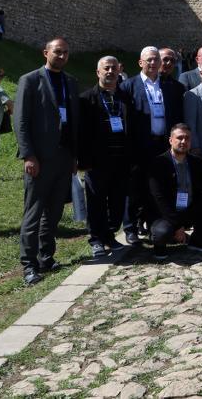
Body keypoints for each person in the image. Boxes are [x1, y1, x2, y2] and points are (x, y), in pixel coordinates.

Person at [14, 37, 80, 285]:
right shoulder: (30, 80)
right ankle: (29, 265)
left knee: (54, 213)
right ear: (46, 53)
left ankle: (46, 257)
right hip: (40, 158)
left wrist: (74, 156)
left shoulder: (70, 82)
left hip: (64, 156)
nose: (62, 56)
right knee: (34, 212)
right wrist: (28, 154)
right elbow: (21, 121)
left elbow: (74, 121)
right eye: (57, 52)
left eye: (65, 53)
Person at [121, 46, 185, 245]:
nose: (153, 63)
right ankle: (130, 227)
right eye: (149, 59)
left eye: (156, 59)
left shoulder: (168, 86)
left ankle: (153, 224)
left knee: (158, 187)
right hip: (139, 145)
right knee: (134, 187)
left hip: (162, 145)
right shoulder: (129, 86)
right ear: (140, 62)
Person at [77, 56, 132, 257]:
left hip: (121, 159)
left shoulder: (126, 97)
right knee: (96, 202)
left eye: (114, 68)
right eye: (106, 68)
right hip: (97, 160)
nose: (110, 71)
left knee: (117, 202)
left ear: (119, 71)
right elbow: (81, 133)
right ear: (98, 72)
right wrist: (83, 160)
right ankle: (96, 239)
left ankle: (109, 235)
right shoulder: (86, 99)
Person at [147, 124, 202, 259]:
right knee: (162, 232)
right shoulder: (158, 163)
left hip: (188, 209)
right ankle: (160, 246)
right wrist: (177, 226)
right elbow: (160, 199)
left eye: (187, 138)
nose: (184, 141)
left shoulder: (196, 162)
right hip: (165, 214)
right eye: (179, 138)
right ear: (170, 140)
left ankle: (197, 240)